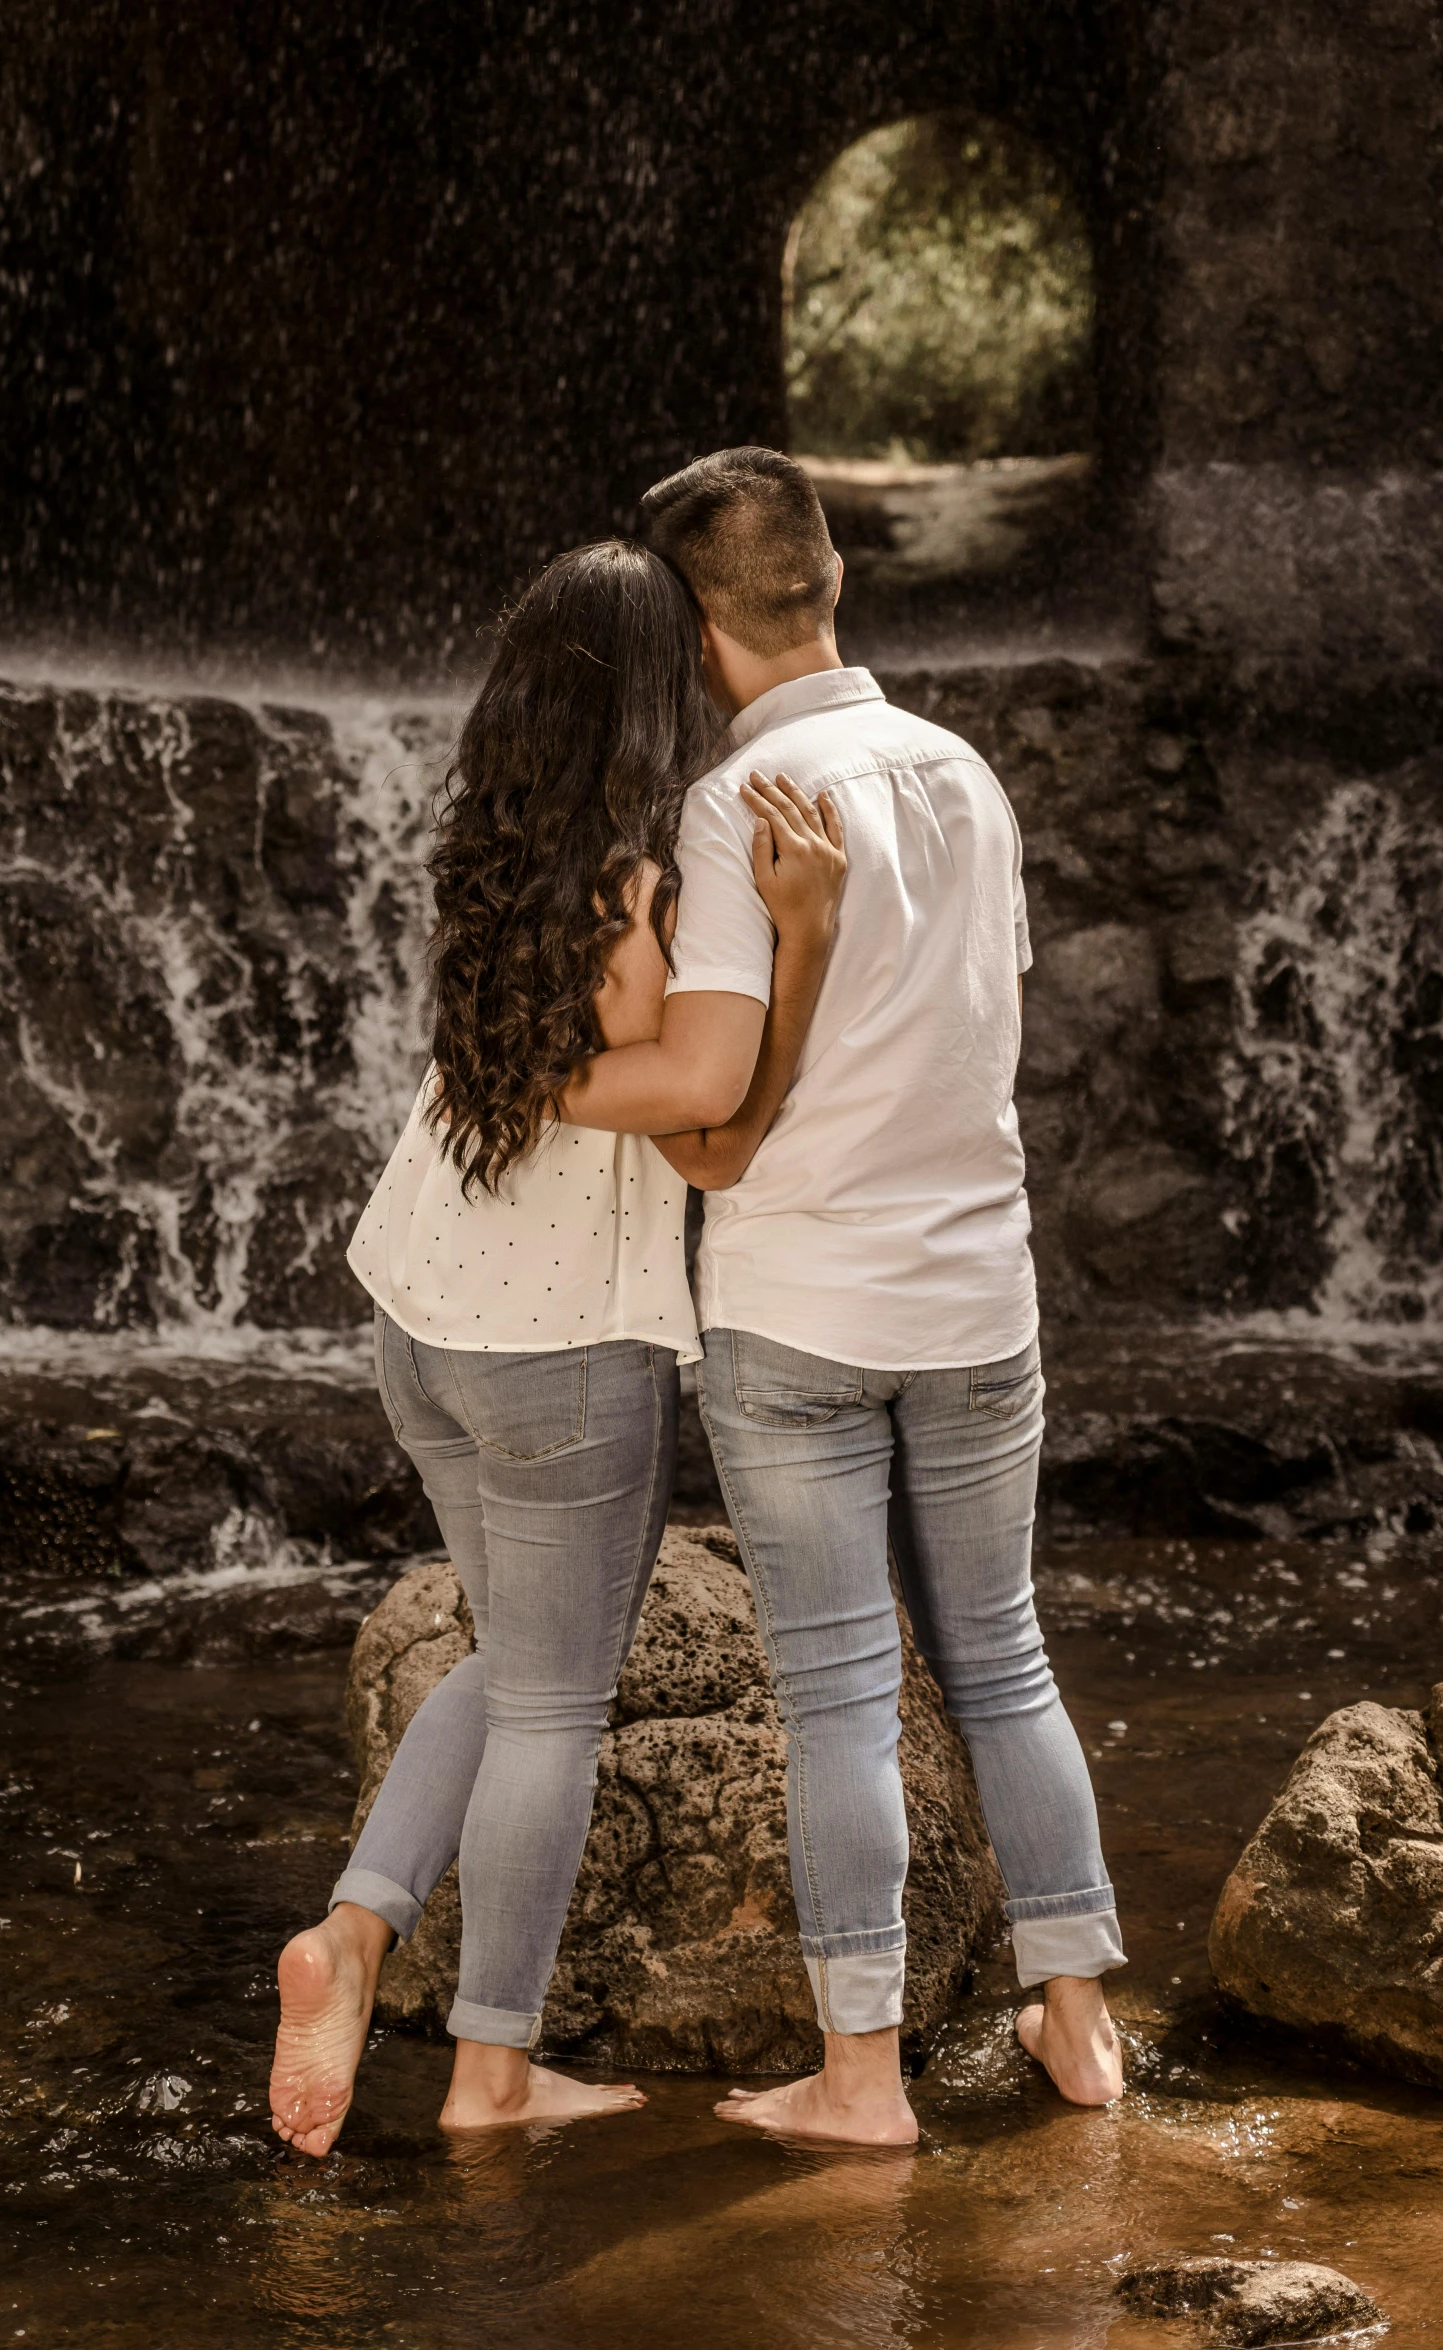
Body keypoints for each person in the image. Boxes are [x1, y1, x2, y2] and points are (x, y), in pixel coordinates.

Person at [561, 447, 1126, 2146]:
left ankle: (860, 2078)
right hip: (978, 1298)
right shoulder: (964, 771)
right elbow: (973, 1027)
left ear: (687, 630)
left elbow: (717, 1073)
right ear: (826, 586)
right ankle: (1077, 2018)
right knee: (1005, 1655)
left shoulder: (734, 809)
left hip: (799, 1305)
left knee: (835, 1694)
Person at [267, 539, 847, 2151]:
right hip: (555, 1338)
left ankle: (356, 1930)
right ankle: (492, 2069)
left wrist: (531, 1078)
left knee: (512, 1665)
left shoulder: (494, 839)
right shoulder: (640, 866)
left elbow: (541, 1053)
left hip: (421, 1313)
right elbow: (691, 1089)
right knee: (552, 1706)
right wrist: (796, 953)